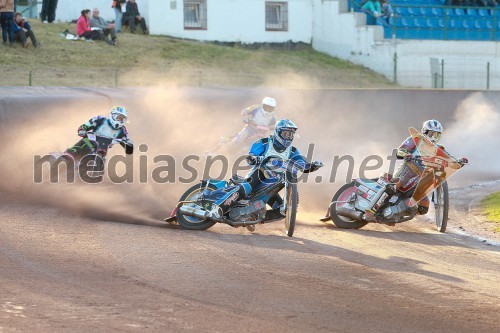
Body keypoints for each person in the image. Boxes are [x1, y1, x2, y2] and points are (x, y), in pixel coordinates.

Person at [208, 119, 323, 220]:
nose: (289, 137)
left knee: (284, 211)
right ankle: (217, 208)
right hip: (259, 174)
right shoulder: (264, 142)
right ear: (278, 132)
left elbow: (301, 163)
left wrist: (311, 166)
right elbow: (251, 157)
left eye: (291, 134)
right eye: (286, 133)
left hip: (274, 183)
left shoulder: (293, 151)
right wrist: (255, 158)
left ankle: (255, 215)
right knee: (245, 188)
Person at [64, 106, 133, 161]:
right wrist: (82, 129)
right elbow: (85, 126)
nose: (120, 120)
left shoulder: (122, 130)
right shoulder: (101, 119)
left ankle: (95, 174)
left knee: (103, 160)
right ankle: (65, 158)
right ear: (112, 115)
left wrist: (129, 145)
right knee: (73, 152)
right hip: (89, 142)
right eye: (118, 118)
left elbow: (126, 140)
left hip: (102, 149)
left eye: (122, 119)